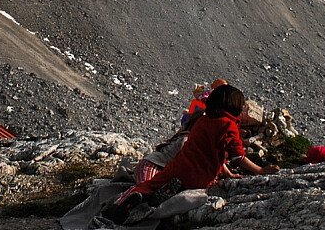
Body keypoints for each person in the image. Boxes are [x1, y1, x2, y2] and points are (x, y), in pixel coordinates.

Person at [106, 84, 277, 223]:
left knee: (150, 184)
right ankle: (165, 198)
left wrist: (227, 171)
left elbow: (208, 149)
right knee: (187, 187)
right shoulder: (229, 126)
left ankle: (127, 202)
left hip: (178, 166)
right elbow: (237, 157)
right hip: (200, 177)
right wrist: (260, 171)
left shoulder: (203, 120)